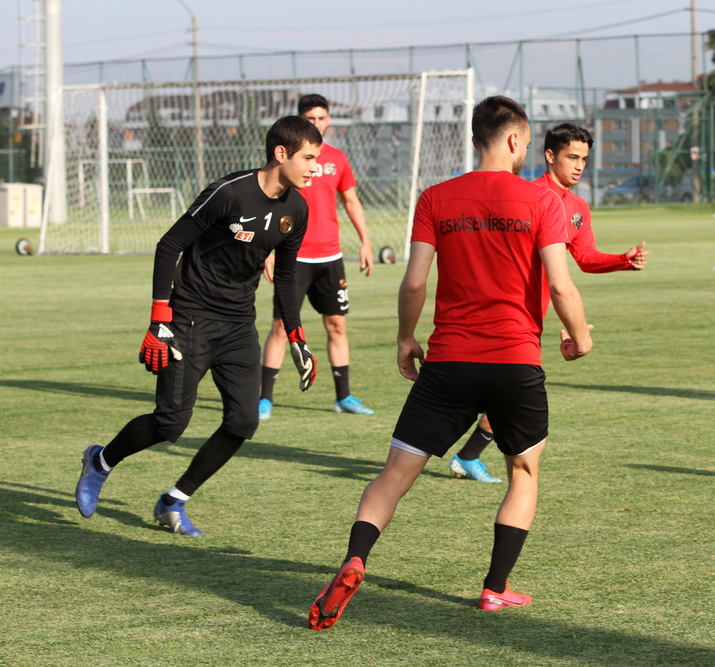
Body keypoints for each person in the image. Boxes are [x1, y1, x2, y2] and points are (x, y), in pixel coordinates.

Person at [307, 96, 593, 630]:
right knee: (524, 471)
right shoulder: (542, 201)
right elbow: (560, 283)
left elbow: (414, 280)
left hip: (449, 360)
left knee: (394, 474)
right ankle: (494, 589)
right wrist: (579, 337)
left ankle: (355, 558)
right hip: (515, 360)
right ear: (513, 140)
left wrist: (404, 339)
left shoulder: (436, 197)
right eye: (528, 143)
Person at [74, 116, 322, 536]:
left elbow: (284, 276)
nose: (316, 167)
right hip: (189, 317)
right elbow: (169, 245)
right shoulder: (229, 193)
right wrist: (160, 318)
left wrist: (296, 335)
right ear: (281, 154)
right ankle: (100, 461)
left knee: (244, 422)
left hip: (240, 325)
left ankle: (174, 499)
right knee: (171, 423)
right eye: (309, 158)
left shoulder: (297, 209)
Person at [449, 122, 648, 483]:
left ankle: (465, 455)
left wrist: (623, 259)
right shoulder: (527, 195)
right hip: (504, 312)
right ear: (549, 154)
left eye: (584, 159)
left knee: (505, 393)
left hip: (532, 318)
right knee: (497, 391)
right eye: (572, 157)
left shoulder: (577, 207)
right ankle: (459, 454)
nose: (579, 166)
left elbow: (585, 258)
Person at [258, 94, 375, 419]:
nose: (316, 123)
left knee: (336, 325)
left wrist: (365, 241)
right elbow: (267, 201)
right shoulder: (287, 160)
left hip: (330, 257)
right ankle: (264, 399)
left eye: (321, 118)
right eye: (310, 118)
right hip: (292, 257)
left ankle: (344, 397)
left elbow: (351, 201)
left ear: (328, 120)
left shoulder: (336, 158)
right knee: (281, 327)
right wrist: (267, 249)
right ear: (299, 120)